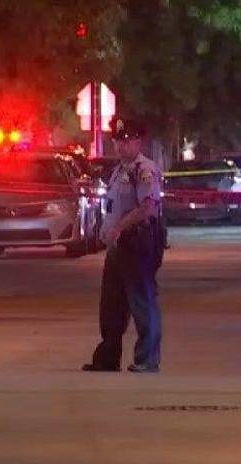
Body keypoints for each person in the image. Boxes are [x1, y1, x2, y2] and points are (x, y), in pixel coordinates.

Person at [82, 117, 165, 373]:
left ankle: (147, 359)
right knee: (111, 304)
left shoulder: (144, 170)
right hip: (118, 247)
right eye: (118, 140)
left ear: (138, 142)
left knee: (142, 301)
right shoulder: (119, 171)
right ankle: (108, 357)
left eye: (126, 141)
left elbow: (148, 208)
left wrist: (120, 227)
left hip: (137, 243)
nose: (121, 146)